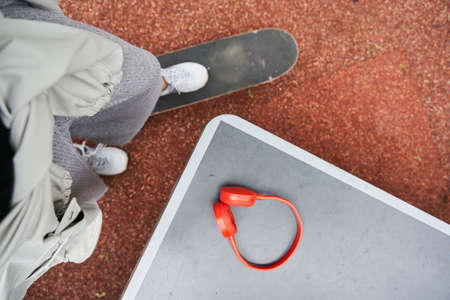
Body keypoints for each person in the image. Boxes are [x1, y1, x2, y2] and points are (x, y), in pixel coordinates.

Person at [0, 0, 208, 298]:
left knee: (138, 74)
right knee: (69, 174)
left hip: (13, 67)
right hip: (22, 199)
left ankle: (158, 84)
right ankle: (75, 150)